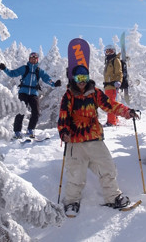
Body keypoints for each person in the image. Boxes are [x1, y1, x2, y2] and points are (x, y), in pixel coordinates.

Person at [58, 64, 139, 217]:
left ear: (88, 78)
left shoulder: (94, 93)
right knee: (76, 173)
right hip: (75, 141)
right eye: (78, 78)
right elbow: (63, 115)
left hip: (94, 138)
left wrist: (127, 112)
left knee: (108, 168)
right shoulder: (68, 95)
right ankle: (71, 201)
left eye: (84, 77)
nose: (82, 81)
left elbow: (110, 105)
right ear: (74, 79)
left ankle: (113, 197)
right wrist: (63, 131)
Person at [0, 52, 61, 138]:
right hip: (23, 92)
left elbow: (47, 79)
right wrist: (5, 69)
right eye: (32, 58)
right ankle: (17, 132)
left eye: (35, 58)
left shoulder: (39, 71)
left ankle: (30, 130)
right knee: (21, 111)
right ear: (29, 59)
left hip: (33, 94)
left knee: (36, 112)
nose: (33, 59)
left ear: (37, 60)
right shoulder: (24, 68)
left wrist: (54, 84)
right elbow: (12, 73)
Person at [103, 44, 123, 127]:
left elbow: (119, 73)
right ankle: (114, 119)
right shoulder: (108, 61)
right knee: (110, 103)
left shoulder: (115, 60)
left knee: (110, 103)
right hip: (107, 87)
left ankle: (111, 122)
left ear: (114, 51)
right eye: (107, 51)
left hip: (112, 86)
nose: (109, 53)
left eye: (111, 51)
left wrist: (119, 81)